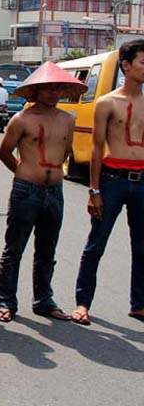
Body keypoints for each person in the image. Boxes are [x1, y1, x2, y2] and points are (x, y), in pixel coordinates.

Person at [0, 61, 84, 323]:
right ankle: (5, 300)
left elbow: (66, 152)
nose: (54, 93)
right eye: (48, 88)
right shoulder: (21, 119)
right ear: (35, 91)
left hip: (54, 189)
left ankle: (44, 300)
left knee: (47, 249)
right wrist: (24, 173)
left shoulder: (68, 120)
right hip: (26, 189)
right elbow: (4, 152)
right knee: (15, 248)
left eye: (57, 88)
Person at [73, 40, 144, 325]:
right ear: (126, 66)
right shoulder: (107, 103)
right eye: (142, 62)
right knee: (96, 245)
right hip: (112, 179)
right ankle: (82, 303)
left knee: (142, 247)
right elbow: (95, 147)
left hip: (142, 180)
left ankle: (138, 303)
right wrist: (94, 190)